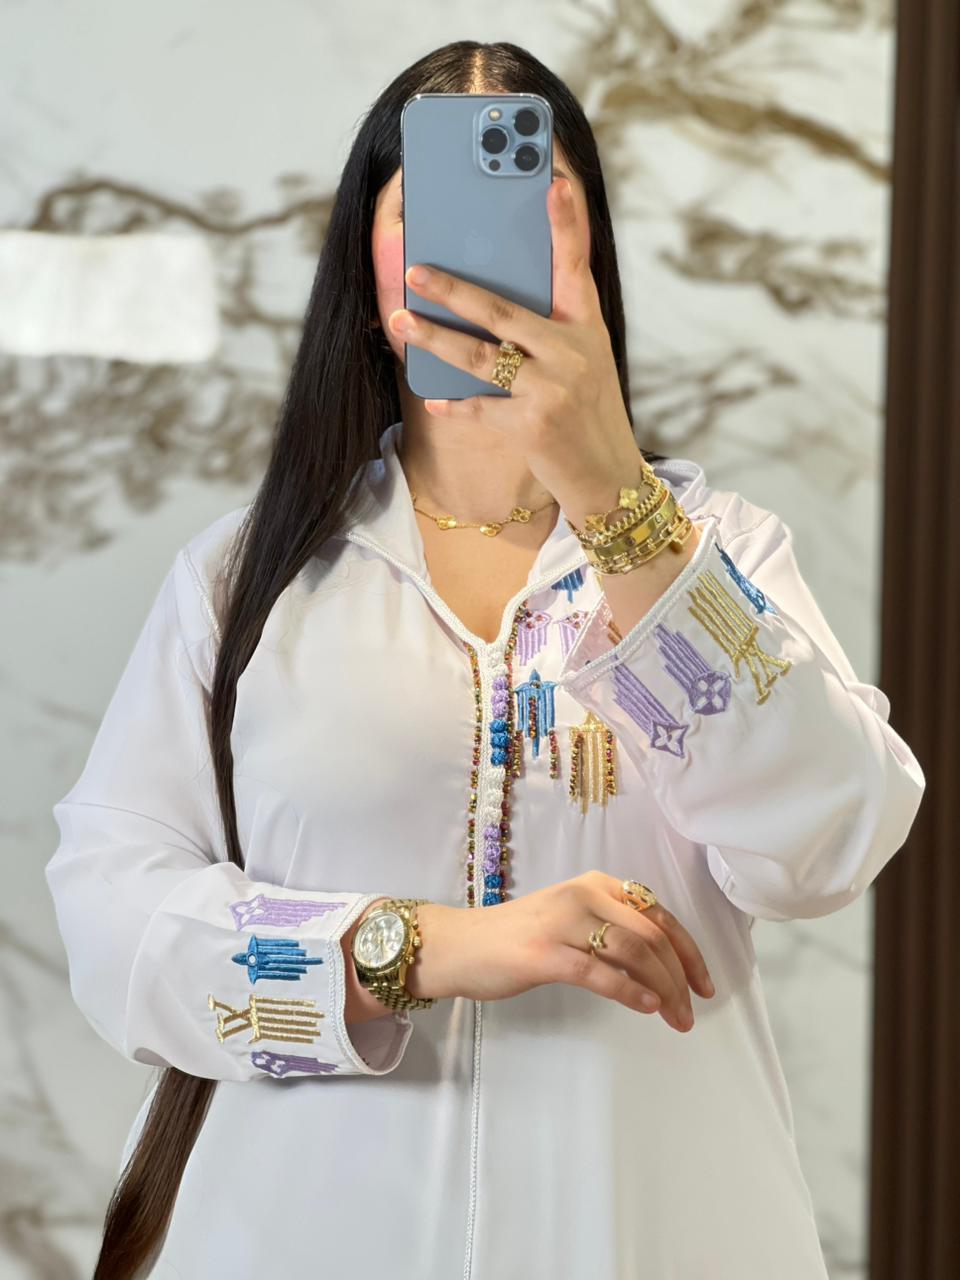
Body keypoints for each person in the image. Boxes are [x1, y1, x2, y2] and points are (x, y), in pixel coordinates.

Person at [45, 40, 925, 1280]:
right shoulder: (246, 579)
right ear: (368, 268)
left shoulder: (721, 554)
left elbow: (832, 839)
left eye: (527, 204)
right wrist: (427, 946)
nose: (474, 254)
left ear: (587, 253)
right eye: (429, 210)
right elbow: (116, 929)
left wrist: (618, 500)